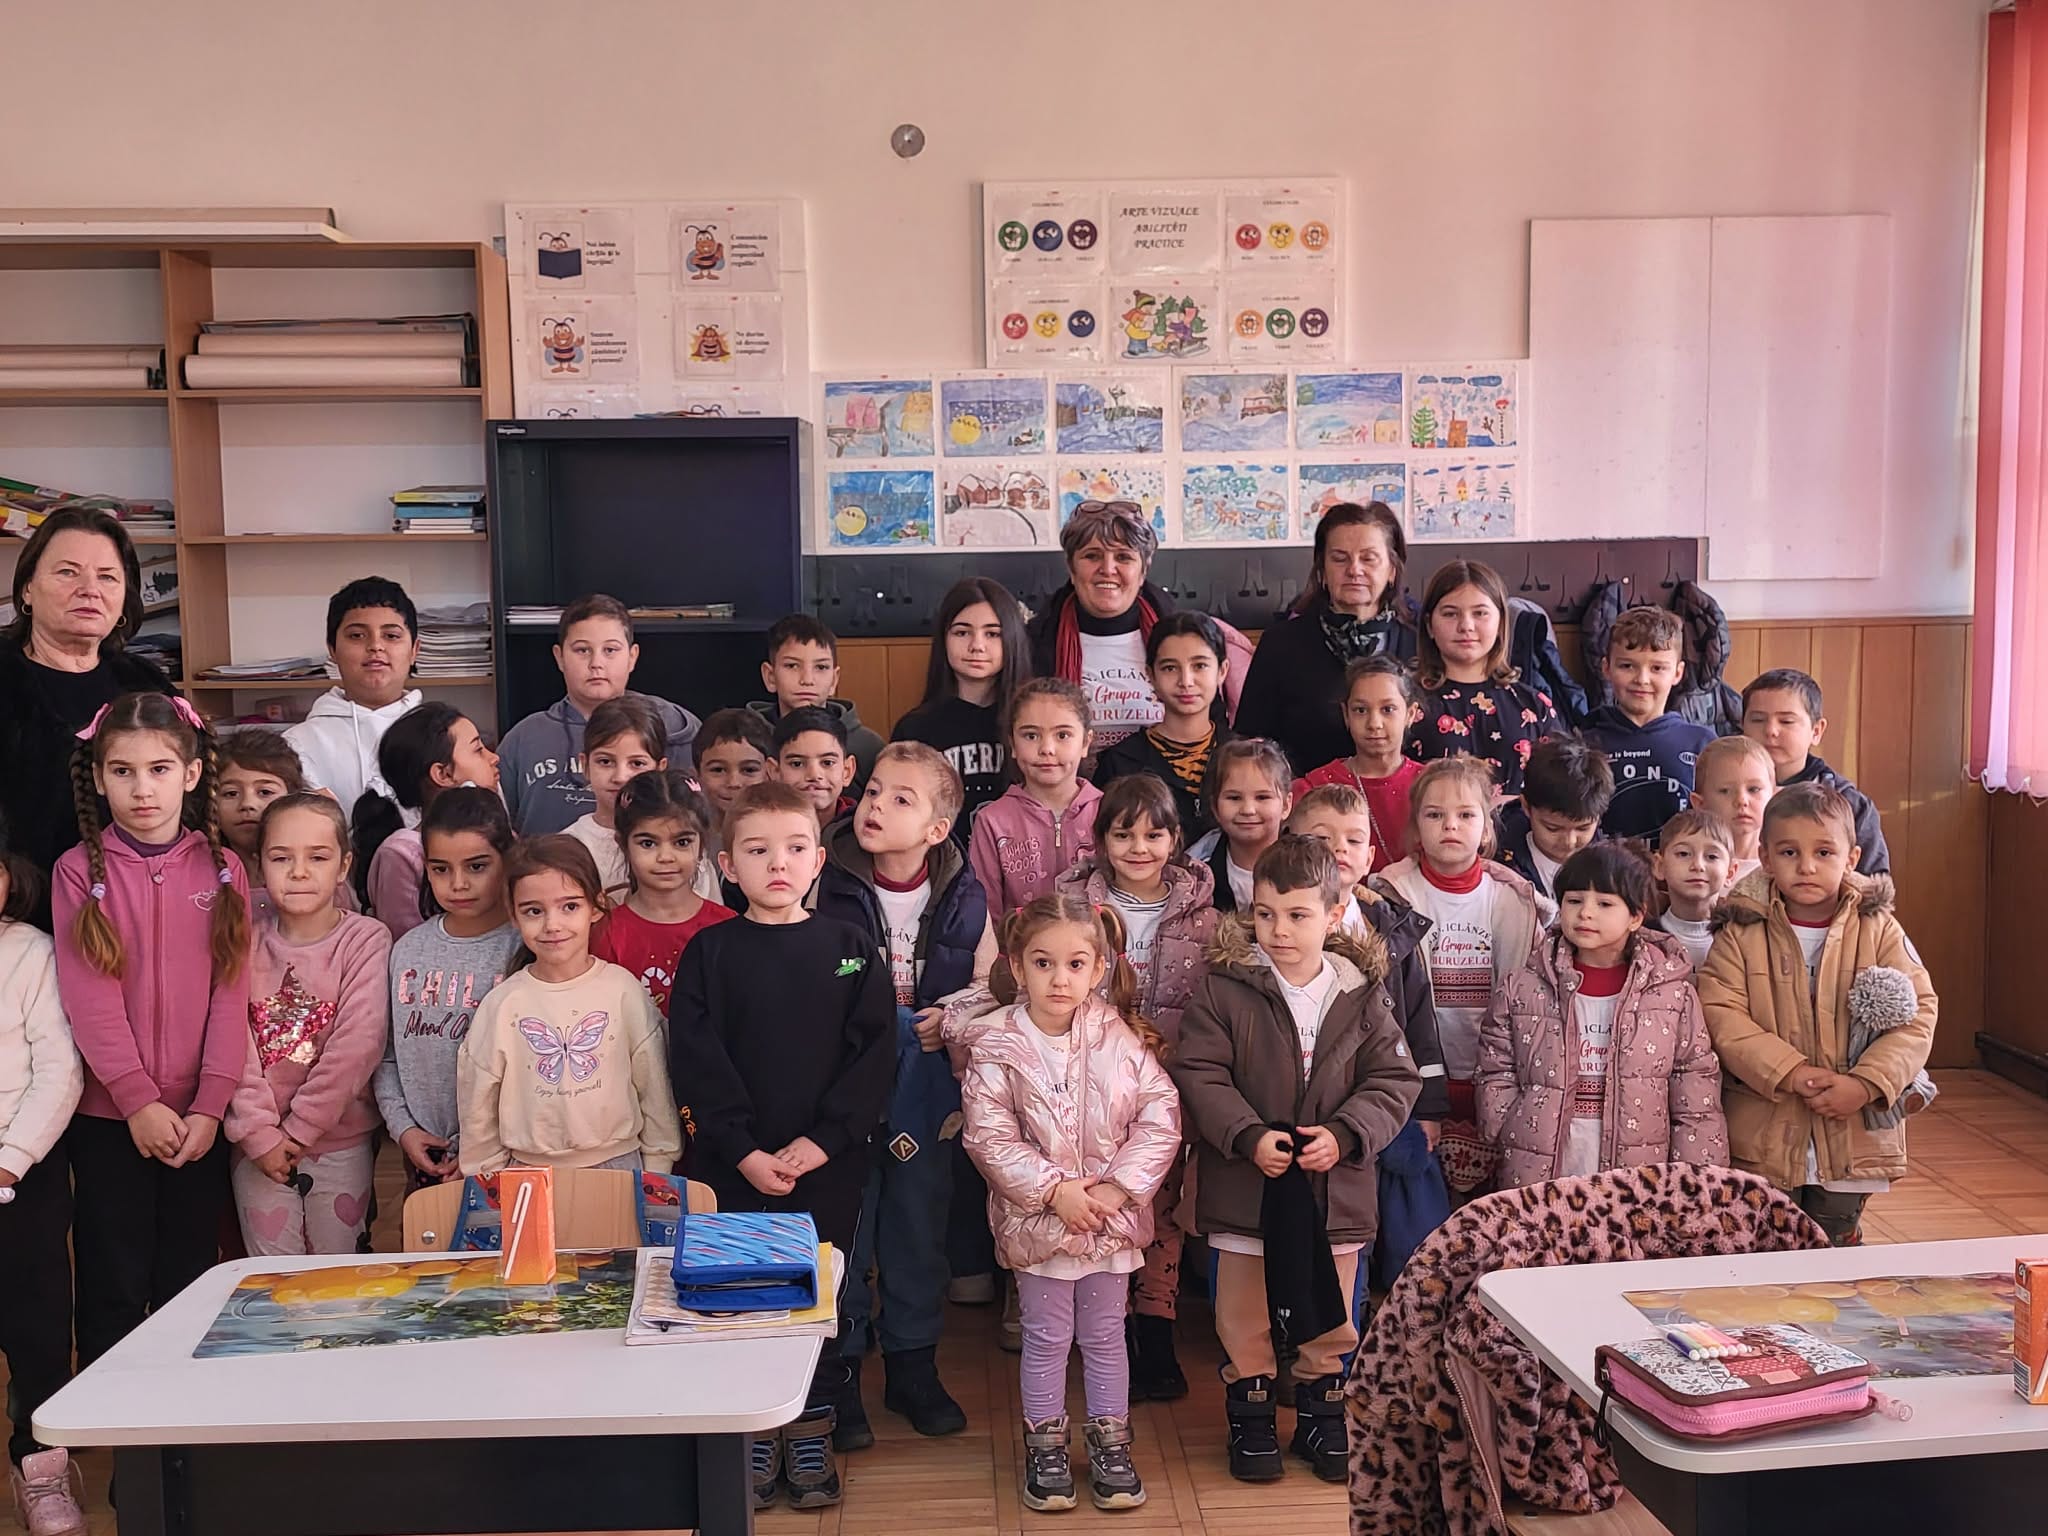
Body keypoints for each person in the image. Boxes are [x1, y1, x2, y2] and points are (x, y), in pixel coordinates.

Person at [668, 782, 895, 1509]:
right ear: (727, 864)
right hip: (734, 1166)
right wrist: (741, 1149)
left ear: (819, 860)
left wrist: (823, 1141)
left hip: (826, 1167)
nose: (778, 863)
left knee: (818, 1299)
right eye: (758, 850)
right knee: (742, 1298)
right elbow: (696, 1059)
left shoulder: (850, 947)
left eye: (795, 848)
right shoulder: (710, 952)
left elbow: (874, 1055)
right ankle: (754, 1434)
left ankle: (811, 1429)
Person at [1173, 834, 1422, 1483]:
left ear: (1335, 915)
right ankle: (1251, 1414)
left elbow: (1394, 1081)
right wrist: (1246, 1134)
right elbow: (1199, 1072)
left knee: (1331, 1307)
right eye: (1266, 913)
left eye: (1297, 914)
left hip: (1332, 1191)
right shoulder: (1225, 989)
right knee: (1243, 1313)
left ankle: (1321, 1411)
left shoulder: (1362, 992)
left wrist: (1345, 1133)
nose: (1279, 930)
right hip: (1246, 1184)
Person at [946, 896, 1180, 1512]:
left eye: (1076, 964)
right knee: (1047, 1337)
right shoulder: (997, 1045)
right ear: (1017, 966)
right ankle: (1045, 1446)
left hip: (1108, 1222)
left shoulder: (1119, 1038)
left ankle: (1111, 1443)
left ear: (1098, 968)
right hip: (1040, 1226)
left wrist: (1114, 1190)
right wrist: (1056, 1191)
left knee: (1105, 1335)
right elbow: (989, 1136)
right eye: (1043, 963)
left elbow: (1160, 1115)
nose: (1059, 978)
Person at [52, 692, 251, 1369]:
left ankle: (182, 1419)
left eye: (160, 769)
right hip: (111, 1119)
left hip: (200, 1121)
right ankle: (112, 1418)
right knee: (112, 1280)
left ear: (191, 774)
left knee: (188, 1281)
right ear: (98, 777)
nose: (142, 789)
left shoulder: (224, 869)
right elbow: (90, 999)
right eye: (123, 771)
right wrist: (137, 1100)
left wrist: (211, 1104)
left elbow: (231, 992)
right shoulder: (77, 871)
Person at [816, 743, 994, 1447]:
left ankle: (913, 1366)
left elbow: (989, 985)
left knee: (918, 1226)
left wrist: (952, 1016)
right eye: (874, 791)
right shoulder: (826, 878)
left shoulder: (965, 893)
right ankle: (842, 1370)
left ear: (935, 829)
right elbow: (809, 970)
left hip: (926, 1086)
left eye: (900, 799)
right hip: (845, 1083)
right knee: (849, 1227)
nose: (876, 807)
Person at [1697, 783, 1936, 1246]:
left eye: (1824, 852)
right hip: (1764, 1130)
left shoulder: (1879, 928)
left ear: (1851, 858)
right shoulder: (1741, 929)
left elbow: (1917, 1012)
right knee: (1766, 1245)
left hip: (1851, 1132)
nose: (1806, 866)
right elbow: (1721, 1013)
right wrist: (1790, 1071)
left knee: (1834, 1246)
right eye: (1789, 852)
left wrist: (1865, 1084)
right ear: (1765, 857)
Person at [1055, 773, 1219, 1401]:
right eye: (1123, 835)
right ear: (1100, 841)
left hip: (1167, 1092)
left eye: (1154, 835)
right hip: (1089, 1088)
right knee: (1104, 1202)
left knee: (1163, 1207)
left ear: (1176, 840)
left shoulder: (1205, 917)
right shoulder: (1074, 907)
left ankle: (1156, 1326)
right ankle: (1111, 1329)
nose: (1139, 848)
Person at [1477, 842, 1727, 1189]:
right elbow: (1496, 1067)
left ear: (1636, 917)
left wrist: (1694, 1177)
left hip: (1637, 1176)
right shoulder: (1522, 987)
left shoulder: (1672, 994)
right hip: (1537, 1169)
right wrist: (1508, 1126)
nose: (1585, 913)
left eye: (1605, 904)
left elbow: (1694, 1083)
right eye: (1574, 901)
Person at [1288, 785, 1449, 1285]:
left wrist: (1429, 1108)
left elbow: (1420, 1021)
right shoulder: (1280, 928)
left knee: (1403, 1231)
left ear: (1371, 855)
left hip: (1388, 1101)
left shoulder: (1391, 927)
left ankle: (1397, 1311)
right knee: (1327, 1232)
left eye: (1353, 840)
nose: (1339, 849)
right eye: (1322, 838)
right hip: (1315, 1105)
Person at [1371, 756, 1549, 1199]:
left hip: (1491, 1078)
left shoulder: (1513, 902)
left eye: (1466, 815)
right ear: (1416, 826)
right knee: (1424, 1205)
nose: (1450, 825)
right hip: (1417, 1080)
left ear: (1486, 829)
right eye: (1434, 815)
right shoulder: (1390, 897)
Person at [225, 794, 391, 1255]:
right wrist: (260, 1135)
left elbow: (358, 1044)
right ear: (260, 865)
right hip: (257, 1147)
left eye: (317, 857)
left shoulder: (365, 939)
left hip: (340, 1141)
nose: (299, 872)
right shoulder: (241, 942)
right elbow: (231, 1045)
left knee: (337, 1271)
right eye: (282, 858)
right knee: (270, 1273)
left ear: (343, 866)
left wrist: (300, 1129)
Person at [457, 835, 679, 1177]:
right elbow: (478, 1105)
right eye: (534, 911)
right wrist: (486, 1177)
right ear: (513, 915)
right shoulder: (502, 1004)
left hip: (621, 1168)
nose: (552, 925)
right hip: (526, 1174)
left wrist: (659, 1166)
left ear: (596, 906)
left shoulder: (623, 990)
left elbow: (654, 1086)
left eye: (570, 907)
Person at [0, 505, 178, 927]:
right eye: (68, 572)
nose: (89, 590)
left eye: (107, 577)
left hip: (144, 914)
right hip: (22, 917)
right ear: (27, 589)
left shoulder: (145, 683)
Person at [0, 815, 87, 1534]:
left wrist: (11, 1157)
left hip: (21, 1172)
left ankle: (41, 1465)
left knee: (36, 1328)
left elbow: (59, 1070)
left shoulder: (32, 952)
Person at [374, 788, 520, 1192]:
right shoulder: (406, 951)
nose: (458, 883)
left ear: (508, 858)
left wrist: (485, 1147)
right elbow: (386, 1055)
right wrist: (403, 1129)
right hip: (427, 1156)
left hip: (508, 1158)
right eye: (441, 869)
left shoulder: (525, 949)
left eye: (477, 866)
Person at [1024, 499, 1252, 747]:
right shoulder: (1034, 642)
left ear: (1143, 570)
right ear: (1071, 568)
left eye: (1123, 557)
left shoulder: (1183, 637)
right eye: (1092, 556)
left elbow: (1213, 731)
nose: (1108, 569)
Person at [1236, 502, 1418, 774]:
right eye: (1340, 558)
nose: (1354, 570)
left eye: (1368, 558)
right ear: (1321, 569)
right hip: (1305, 795)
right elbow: (1251, 743)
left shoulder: (1419, 645)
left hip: (1408, 797)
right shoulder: (1281, 644)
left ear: (1392, 569)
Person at [497, 594, 701, 836]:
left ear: (632, 657)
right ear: (559, 657)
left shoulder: (673, 725)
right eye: (582, 650)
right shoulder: (524, 738)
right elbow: (500, 829)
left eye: (610, 650)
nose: (596, 663)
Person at [1407, 561, 1562, 798]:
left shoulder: (1534, 706)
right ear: (1429, 625)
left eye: (1480, 613)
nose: (1466, 626)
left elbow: (1562, 792)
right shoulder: (1405, 704)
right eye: (1450, 614)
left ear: (1500, 623)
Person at [591, 768, 733, 1019]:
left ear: (702, 844)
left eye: (682, 842)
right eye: (648, 843)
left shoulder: (727, 928)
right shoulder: (606, 934)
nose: (665, 857)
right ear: (623, 844)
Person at [891, 577, 1031, 828]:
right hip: (943, 852)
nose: (977, 646)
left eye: (992, 634)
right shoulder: (915, 729)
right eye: (962, 632)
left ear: (1012, 639)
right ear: (943, 638)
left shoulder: (1033, 724)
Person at [354, 704, 501, 939]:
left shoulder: (503, 834)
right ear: (443, 774)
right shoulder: (402, 854)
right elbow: (407, 944)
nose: (494, 758)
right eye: (478, 750)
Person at [283, 577, 425, 818]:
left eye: (391, 636)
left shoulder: (445, 736)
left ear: (414, 650)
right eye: (357, 635)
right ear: (332, 650)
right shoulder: (296, 745)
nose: (376, 646)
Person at [1092, 611, 1236, 841]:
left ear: (1222, 671)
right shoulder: (1120, 762)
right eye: (1170, 668)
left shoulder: (1243, 757)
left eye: (1199, 666)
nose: (1186, 681)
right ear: (1150, 675)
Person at [1579, 607, 1716, 845]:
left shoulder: (1703, 744)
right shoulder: (1583, 742)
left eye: (1657, 668)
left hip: (1682, 867)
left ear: (1678, 673)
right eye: (1627, 666)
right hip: (1605, 866)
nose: (1642, 679)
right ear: (1606, 668)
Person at [1740, 668, 1891, 875]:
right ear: (1742, 726)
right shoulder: (1722, 792)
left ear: (1816, 731)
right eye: (1758, 720)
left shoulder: (1850, 804)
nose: (1771, 731)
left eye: (1786, 721)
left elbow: (1875, 886)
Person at [970, 679, 1102, 914]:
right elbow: (985, 912)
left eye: (1062, 735)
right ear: (1012, 744)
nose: (1047, 749)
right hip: (1018, 940)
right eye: (1031, 736)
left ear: (1085, 742)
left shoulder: (1109, 812)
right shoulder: (992, 821)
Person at [1292, 655, 1425, 871]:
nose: (1374, 723)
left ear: (1410, 714)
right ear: (1346, 714)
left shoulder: (1431, 785)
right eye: (1361, 710)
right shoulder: (1314, 788)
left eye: (1388, 709)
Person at [750, 614, 887, 799]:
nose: (807, 680)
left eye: (821, 667)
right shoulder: (745, 741)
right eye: (792, 666)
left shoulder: (867, 746)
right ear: (770, 676)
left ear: (834, 680)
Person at [563, 694, 667, 901]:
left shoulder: (681, 841)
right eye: (605, 762)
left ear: (660, 769)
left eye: (637, 764)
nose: (620, 777)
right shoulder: (568, 847)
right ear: (585, 765)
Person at [216, 729, 320, 924]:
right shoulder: (199, 876)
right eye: (231, 793)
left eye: (265, 792)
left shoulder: (317, 875)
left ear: (292, 798)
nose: (247, 804)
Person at [1494, 734, 1613, 901]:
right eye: (1553, 828)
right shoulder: (1496, 862)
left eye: (1583, 828)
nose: (1569, 841)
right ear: (1526, 807)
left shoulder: (1611, 869)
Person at [1199, 738, 1294, 915]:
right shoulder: (1197, 876)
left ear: (1286, 805)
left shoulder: (1308, 868)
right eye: (1234, 798)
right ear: (1215, 807)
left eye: (1262, 797)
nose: (1248, 810)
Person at [691, 707, 773, 901]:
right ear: (696, 775)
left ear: (770, 772)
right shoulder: (687, 839)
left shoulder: (781, 839)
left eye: (749, 770)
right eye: (718, 770)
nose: (733, 782)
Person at [1652, 808, 1734, 970]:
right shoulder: (1643, 938)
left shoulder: (1743, 937)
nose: (1698, 865)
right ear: (1660, 866)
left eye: (1712, 857)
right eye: (1683, 854)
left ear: (1730, 872)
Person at [1692, 734, 1778, 884]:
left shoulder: (1781, 866)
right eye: (1725, 791)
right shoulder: (1692, 867)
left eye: (1754, 789)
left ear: (1774, 797)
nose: (1741, 801)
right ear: (1699, 804)